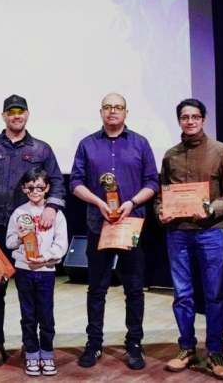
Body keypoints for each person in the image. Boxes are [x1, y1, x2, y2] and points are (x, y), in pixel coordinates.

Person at [70, 93, 158, 370]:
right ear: (101, 112)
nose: (112, 111)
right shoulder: (87, 144)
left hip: (130, 225)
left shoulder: (140, 143)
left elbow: (152, 182)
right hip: (99, 225)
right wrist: (98, 202)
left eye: (118, 107)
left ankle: (134, 343)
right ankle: (94, 343)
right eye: (107, 107)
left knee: (134, 288)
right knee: (97, 289)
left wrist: (131, 203)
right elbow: (75, 182)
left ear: (126, 112)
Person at [0, 94, 66, 366]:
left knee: (33, 292)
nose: (16, 116)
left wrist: (52, 207)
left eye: (21, 112)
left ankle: (32, 345)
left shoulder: (42, 149)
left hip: (33, 234)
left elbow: (57, 182)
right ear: (4, 116)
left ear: (27, 115)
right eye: (11, 112)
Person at [156, 98, 223, 380]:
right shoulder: (170, 155)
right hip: (177, 232)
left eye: (195, 117)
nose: (190, 121)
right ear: (179, 121)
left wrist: (212, 209)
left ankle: (215, 352)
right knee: (182, 295)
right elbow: (161, 195)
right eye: (185, 117)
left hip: (211, 231)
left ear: (203, 120)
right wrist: (161, 211)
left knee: (214, 294)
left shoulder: (221, 151)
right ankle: (186, 348)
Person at [5, 167, 68, 377]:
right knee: (28, 316)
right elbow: (9, 242)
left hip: (46, 270)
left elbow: (61, 244)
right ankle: (32, 354)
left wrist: (46, 257)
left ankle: (47, 354)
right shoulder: (19, 213)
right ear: (24, 189)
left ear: (47, 188)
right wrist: (20, 237)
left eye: (39, 187)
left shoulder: (56, 215)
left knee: (46, 316)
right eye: (30, 188)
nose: (35, 191)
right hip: (24, 271)